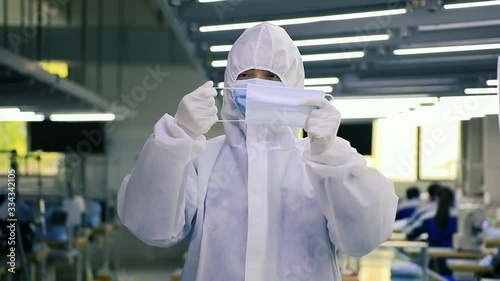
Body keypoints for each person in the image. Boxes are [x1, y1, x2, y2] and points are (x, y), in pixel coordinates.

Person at [117, 22, 398, 281]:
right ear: (229, 84)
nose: (256, 85)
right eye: (245, 75)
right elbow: (152, 228)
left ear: (293, 84)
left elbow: (363, 238)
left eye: (271, 76)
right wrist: (175, 137)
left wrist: (331, 156)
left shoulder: (320, 162)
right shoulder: (204, 159)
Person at [405, 186, 458, 276]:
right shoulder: (462, 217)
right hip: (458, 258)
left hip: (434, 261)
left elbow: (409, 233)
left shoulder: (428, 216)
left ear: (437, 199)